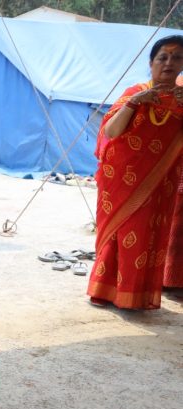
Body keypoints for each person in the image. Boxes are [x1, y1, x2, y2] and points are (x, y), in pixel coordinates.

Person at [88, 35, 183, 310]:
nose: (168, 63)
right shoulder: (135, 92)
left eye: (176, 57)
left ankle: (133, 296)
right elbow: (111, 131)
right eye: (162, 57)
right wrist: (135, 103)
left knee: (146, 234)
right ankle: (104, 292)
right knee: (120, 232)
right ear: (151, 62)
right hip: (119, 181)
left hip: (159, 182)